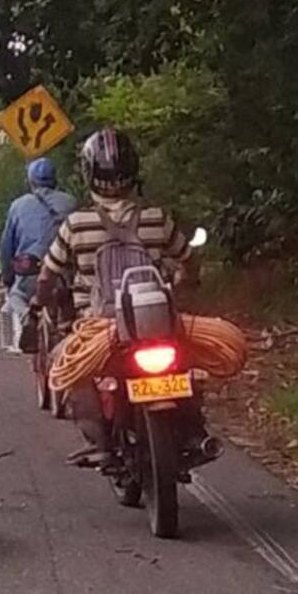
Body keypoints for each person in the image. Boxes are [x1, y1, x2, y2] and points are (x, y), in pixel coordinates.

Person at [36, 129, 198, 464]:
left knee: (68, 366)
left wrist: (45, 305)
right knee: (189, 361)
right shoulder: (157, 218)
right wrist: (182, 285)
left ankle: (101, 444)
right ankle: (195, 432)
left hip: (98, 326)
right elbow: (187, 262)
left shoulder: (76, 224)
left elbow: (47, 276)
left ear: (88, 174)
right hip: (156, 323)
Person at [0, 158, 77, 354]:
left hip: (31, 269)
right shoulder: (70, 202)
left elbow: (7, 245)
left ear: (31, 180)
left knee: (16, 295)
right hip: (63, 270)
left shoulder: (18, 205)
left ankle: (27, 318)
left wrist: (7, 277)